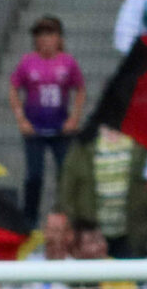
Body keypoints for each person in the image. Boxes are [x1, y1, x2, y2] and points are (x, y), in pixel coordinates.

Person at [8, 15, 87, 222]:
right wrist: (21, 119)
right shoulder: (28, 62)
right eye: (40, 35)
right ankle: (30, 220)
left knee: (64, 174)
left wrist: (74, 118)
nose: (45, 39)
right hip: (35, 129)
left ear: (59, 38)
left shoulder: (67, 62)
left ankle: (65, 216)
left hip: (60, 128)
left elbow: (80, 89)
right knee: (34, 176)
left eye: (50, 34)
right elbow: (13, 89)